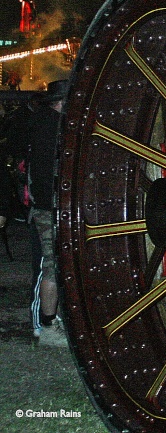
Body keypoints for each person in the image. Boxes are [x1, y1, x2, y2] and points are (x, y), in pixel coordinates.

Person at [27, 79, 68, 346]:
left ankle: (49, 322)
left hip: (50, 204)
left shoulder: (47, 124)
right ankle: (44, 325)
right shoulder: (49, 127)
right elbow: (44, 173)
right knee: (49, 265)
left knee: (54, 265)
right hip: (47, 207)